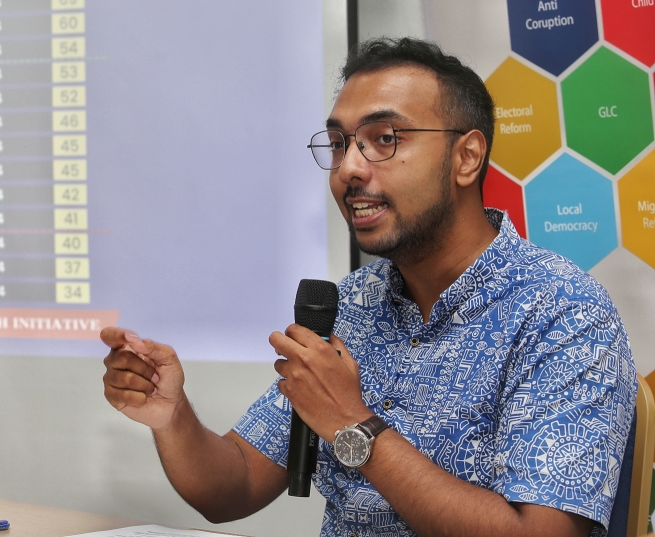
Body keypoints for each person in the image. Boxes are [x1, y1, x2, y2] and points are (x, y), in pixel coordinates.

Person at [100, 37, 636, 537]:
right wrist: (172, 416)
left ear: (466, 157)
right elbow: (233, 488)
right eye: (338, 144)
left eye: (384, 139)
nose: (348, 169)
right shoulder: (352, 302)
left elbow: (539, 534)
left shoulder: (563, 311)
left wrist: (353, 424)